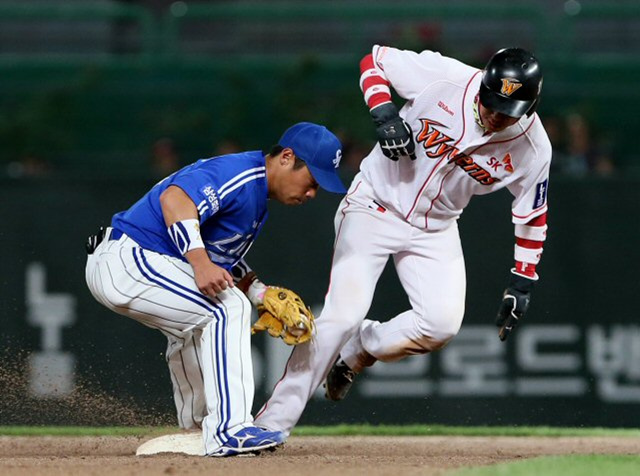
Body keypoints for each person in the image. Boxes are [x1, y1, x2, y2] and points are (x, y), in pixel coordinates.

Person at [254, 46, 551, 435]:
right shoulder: (446, 78)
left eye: (507, 111)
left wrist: (522, 279)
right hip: (375, 204)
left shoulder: (531, 148)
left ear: (530, 106)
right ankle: (271, 425)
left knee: (440, 325)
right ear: (482, 83)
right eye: (491, 102)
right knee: (343, 314)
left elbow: (532, 212)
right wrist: (384, 111)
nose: (495, 115)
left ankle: (361, 349)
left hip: (437, 226)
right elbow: (372, 60)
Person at [85, 122, 346, 456]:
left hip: (134, 263)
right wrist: (199, 262)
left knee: (199, 325)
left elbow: (217, 260)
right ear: (286, 157)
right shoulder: (240, 173)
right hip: (129, 259)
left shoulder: (256, 198)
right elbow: (175, 199)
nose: (312, 193)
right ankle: (228, 430)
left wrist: (259, 292)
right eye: (313, 180)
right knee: (227, 308)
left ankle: (200, 429)